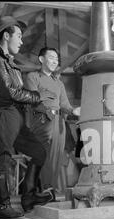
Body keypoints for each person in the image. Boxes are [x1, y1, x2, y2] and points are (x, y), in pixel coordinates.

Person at [0, 16, 56, 219]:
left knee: (39, 152)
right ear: (6, 36)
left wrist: (39, 103)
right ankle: (1, 206)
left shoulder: (10, 63)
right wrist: (37, 96)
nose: (22, 41)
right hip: (4, 113)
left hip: (16, 115)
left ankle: (28, 197)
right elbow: (9, 92)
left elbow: (19, 92)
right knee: (3, 158)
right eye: (19, 36)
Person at [24, 47, 79, 201]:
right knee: (43, 156)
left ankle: (49, 191)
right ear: (41, 59)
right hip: (42, 120)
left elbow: (65, 105)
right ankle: (39, 191)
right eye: (51, 57)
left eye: (57, 59)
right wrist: (47, 109)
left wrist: (74, 111)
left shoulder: (59, 83)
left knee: (56, 158)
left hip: (59, 122)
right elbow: (33, 99)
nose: (55, 61)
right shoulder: (33, 77)